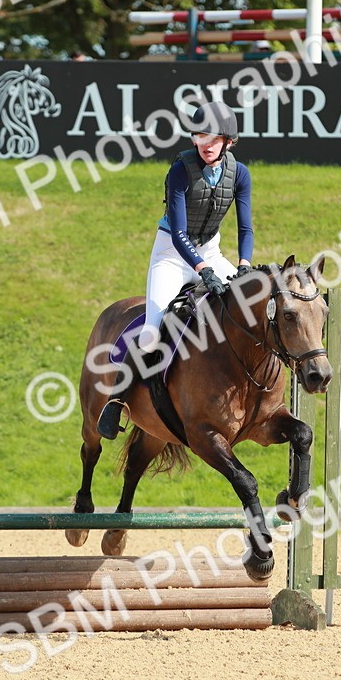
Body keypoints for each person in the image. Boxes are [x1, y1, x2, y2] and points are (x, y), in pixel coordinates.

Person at [97, 101, 253, 439]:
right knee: (152, 332)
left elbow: (246, 229)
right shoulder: (180, 170)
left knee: (249, 308)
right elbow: (180, 231)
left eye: (212, 138)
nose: (205, 144)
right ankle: (117, 400)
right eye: (199, 136)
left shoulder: (239, 173)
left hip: (212, 250)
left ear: (228, 140)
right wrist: (203, 269)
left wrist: (243, 266)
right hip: (172, 254)